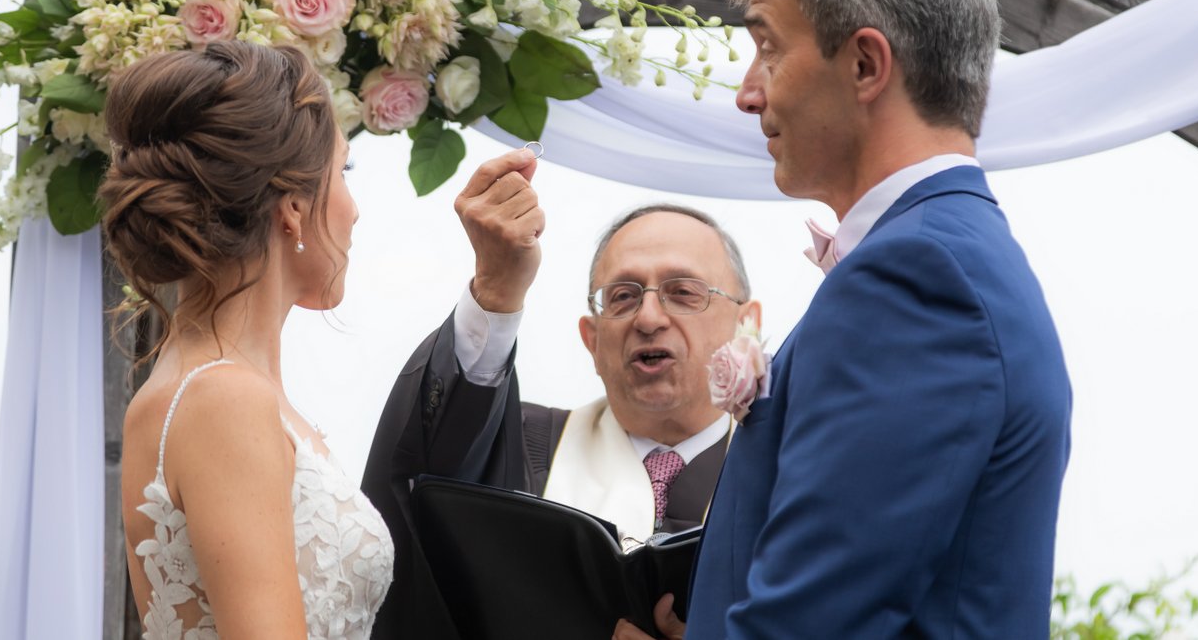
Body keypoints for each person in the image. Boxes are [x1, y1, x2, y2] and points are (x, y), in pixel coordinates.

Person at [623, 0, 1072, 640]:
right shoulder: (947, 255)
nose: (746, 92)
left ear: (865, 63)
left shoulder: (920, 279)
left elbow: (805, 625)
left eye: (769, 47)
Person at [362, 151, 760, 640]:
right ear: (591, 340)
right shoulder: (521, 449)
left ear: (748, 324)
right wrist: (496, 287)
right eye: (623, 296)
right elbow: (422, 484)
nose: (649, 318)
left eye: (683, 291)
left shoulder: (787, 472)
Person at [105, 42, 393, 639]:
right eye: (344, 171)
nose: (356, 210)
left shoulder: (208, 390)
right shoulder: (223, 400)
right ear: (292, 206)